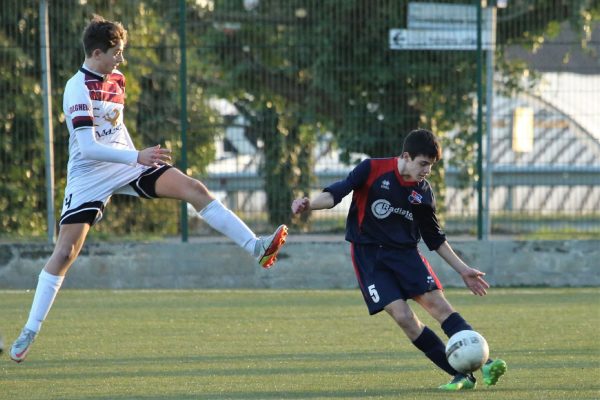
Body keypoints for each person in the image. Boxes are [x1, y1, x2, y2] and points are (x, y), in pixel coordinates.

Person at [10, 15, 288, 363]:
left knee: (194, 189)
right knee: (66, 253)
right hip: (90, 174)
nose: (120, 59)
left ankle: (257, 247)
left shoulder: (118, 80)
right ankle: (30, 329)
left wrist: (137, 159)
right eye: (116, 52)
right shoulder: (76, 88)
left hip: (129, 163)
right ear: (97, 52)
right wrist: (137, 155)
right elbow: (89, 148)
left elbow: (116, 130)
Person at [291, 129, 506, 390]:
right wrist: (309, 204)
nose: (427, 170)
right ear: (406, 156)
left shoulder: (422, 192)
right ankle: (462, 375)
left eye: (431, 165)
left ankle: (486, 362)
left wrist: (463, 270)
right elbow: (337, 192)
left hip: (405, 255)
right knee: (404, 317)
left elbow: (434, 237)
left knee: (438, 306)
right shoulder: (372, 168)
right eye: (423, 164)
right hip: (369, 256)